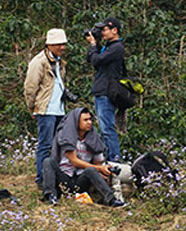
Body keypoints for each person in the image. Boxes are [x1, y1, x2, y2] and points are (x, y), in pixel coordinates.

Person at [41, 107, 125, 207]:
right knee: (48, 161)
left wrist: (104, 171)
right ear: (77, 122)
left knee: (91, 170)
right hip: (65, 177)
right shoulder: (65, 135)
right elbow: (74, 161)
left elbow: (97, 163)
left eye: (90, 119)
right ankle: (51, 196)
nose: (89, 122)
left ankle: (111, 200)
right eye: (85, 120)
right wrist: (99, 168)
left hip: (81, 181)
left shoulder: (94, 138)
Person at [24, 28, 70, 187]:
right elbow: (30, 88)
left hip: (59, 109)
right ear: (49, 44)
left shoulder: (59, 62)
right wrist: (32, 108)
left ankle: (54, 177)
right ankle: (42, 179)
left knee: (58, 146)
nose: (62, 48)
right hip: (46, 109)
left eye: (63, 44)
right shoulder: (39, 62)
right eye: (59, 44)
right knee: (45, 145)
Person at [86, 16, 124, 162]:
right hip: (101, 91)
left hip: (107, 92)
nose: (102, 32)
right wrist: (94, 45)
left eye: (104, 29)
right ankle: (109, 159)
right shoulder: (108, 47)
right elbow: (91, 60)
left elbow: (96, 59)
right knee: (104, 128)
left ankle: (114, 161)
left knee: (107, 129)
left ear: (115, 30)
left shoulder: (116, 48)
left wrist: (94, 45)